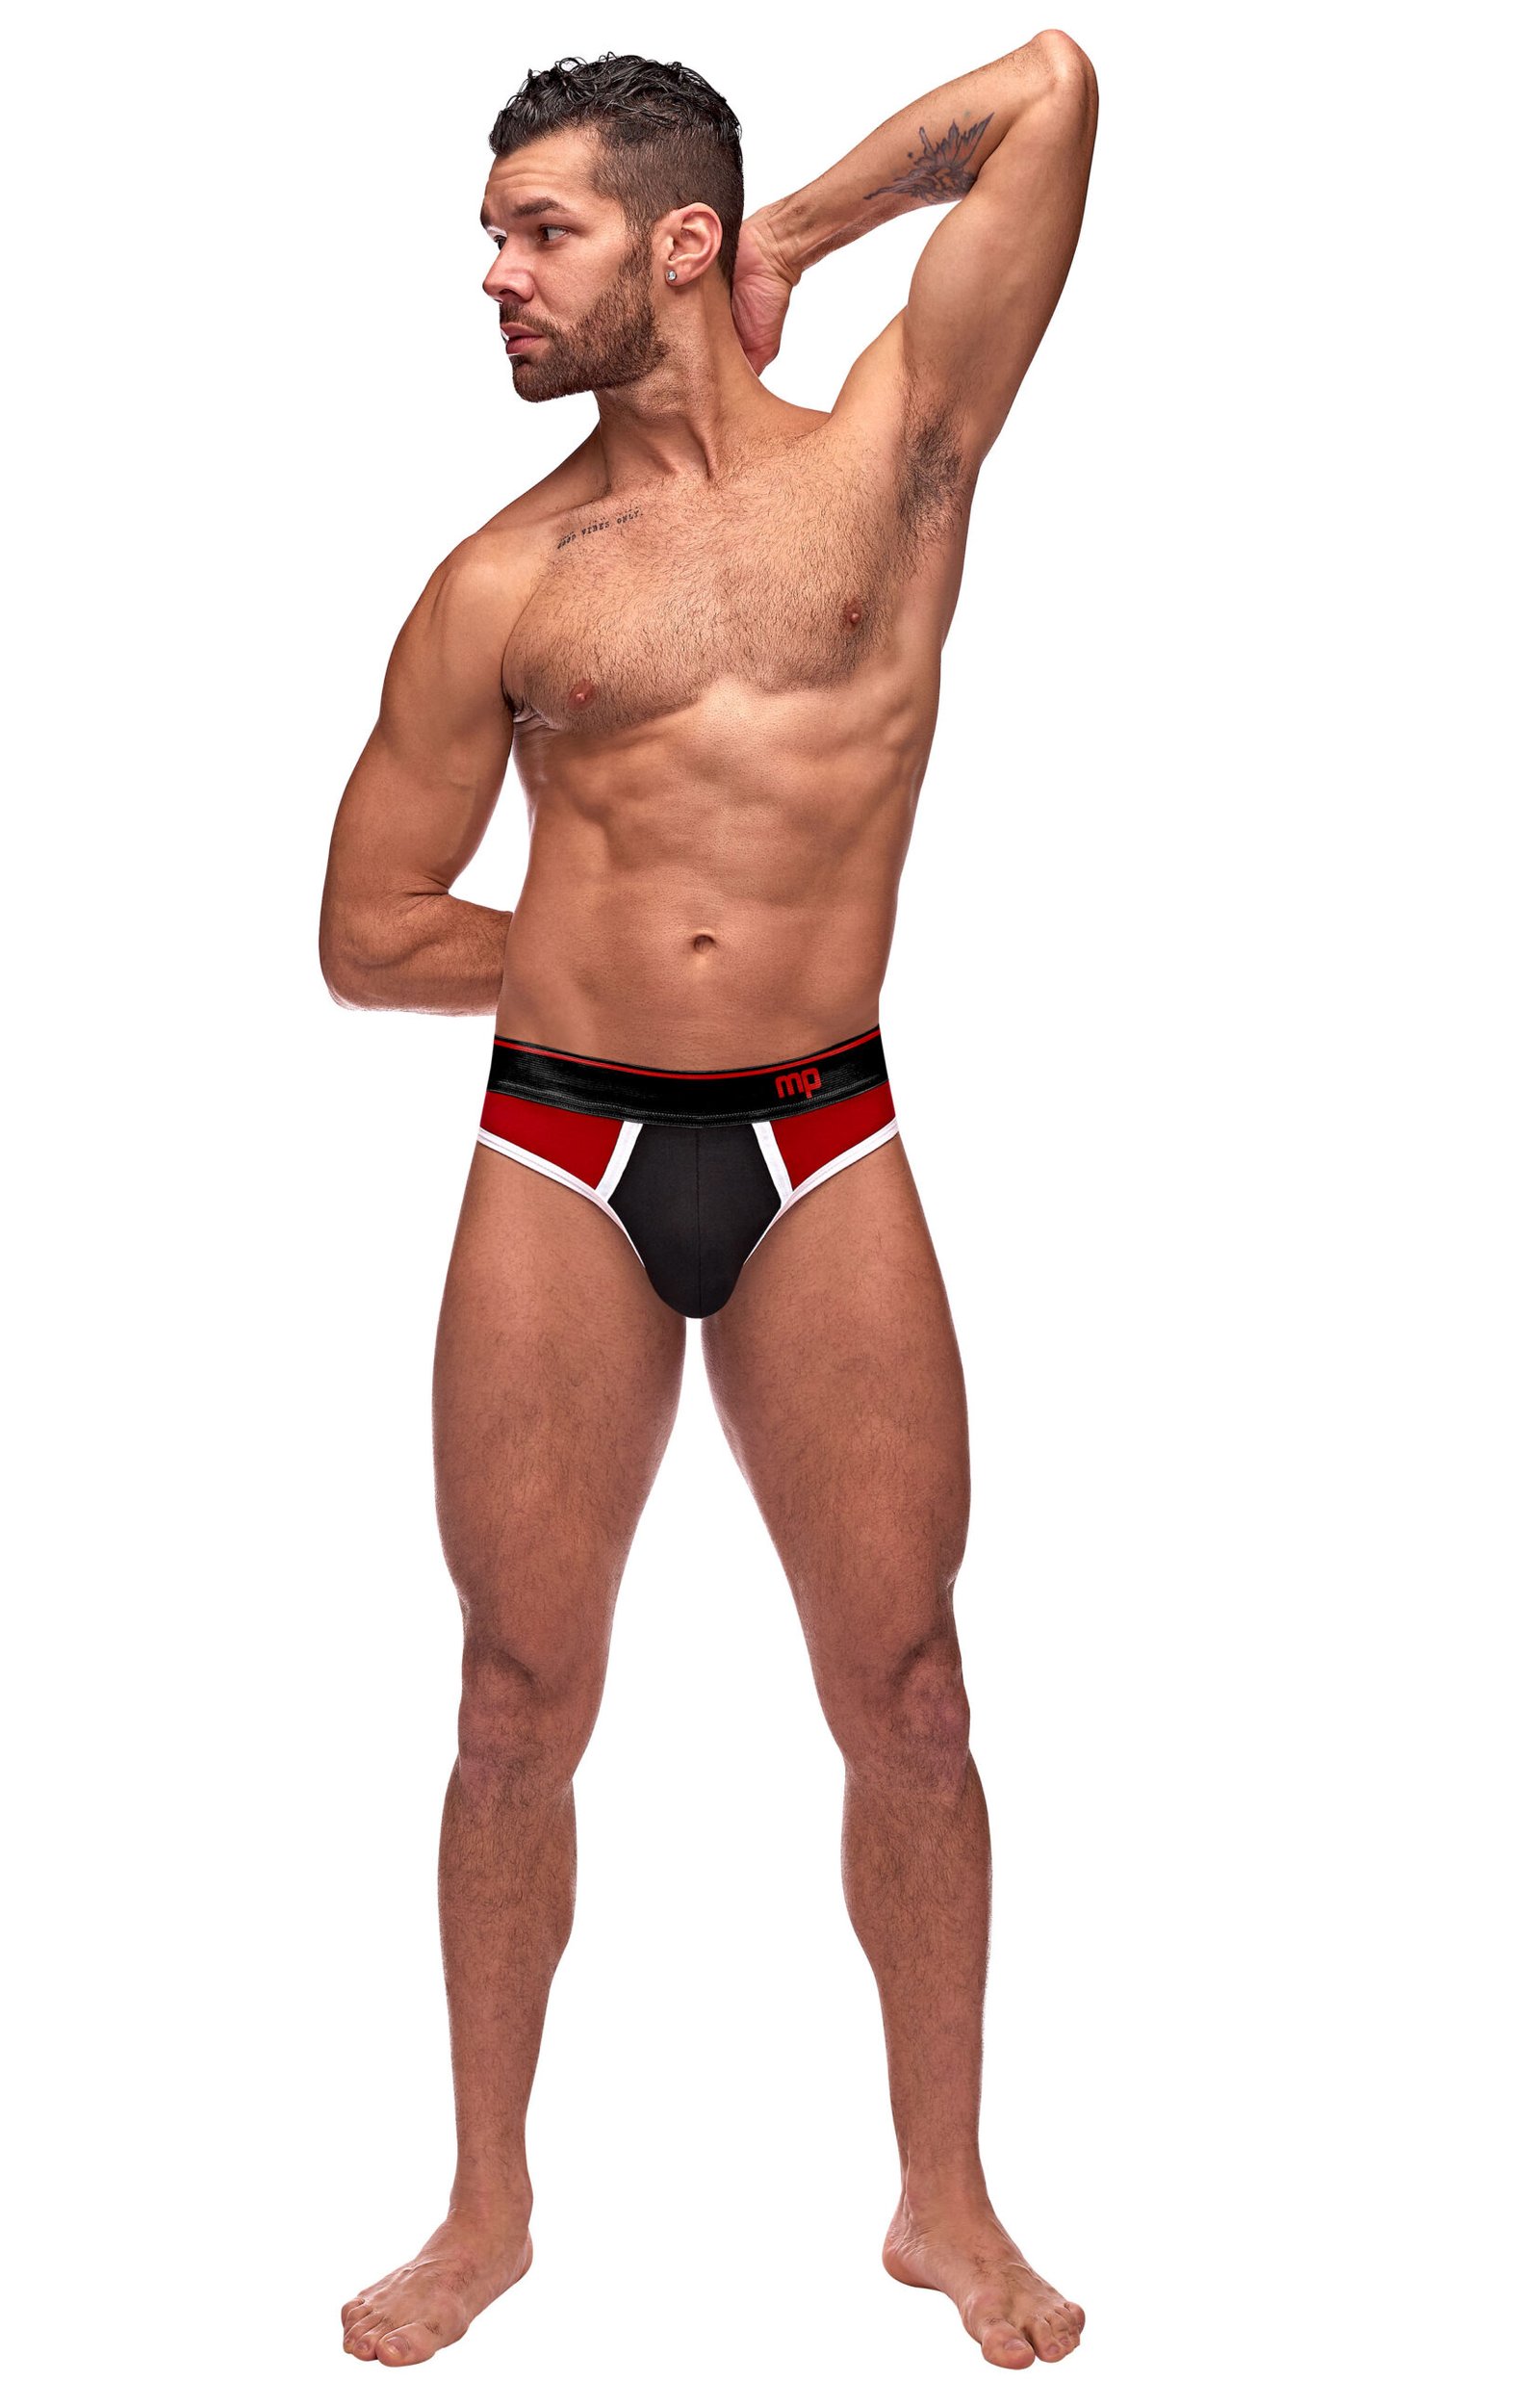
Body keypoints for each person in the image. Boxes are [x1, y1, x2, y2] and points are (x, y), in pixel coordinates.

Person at [321, 37, 1097, 2368]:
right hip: (558, 1154)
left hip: (818, 1139)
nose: (493, 275)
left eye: (536, 230)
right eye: (489, 234)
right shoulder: (498, 583)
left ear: (672, 242)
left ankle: (943, 2201)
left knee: (912, 1694)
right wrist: (591, 957)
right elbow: (366, 929)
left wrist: (800, 231)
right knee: (511, 1703)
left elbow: (1050, 92)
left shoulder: (892, 454)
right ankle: (483, 2209)